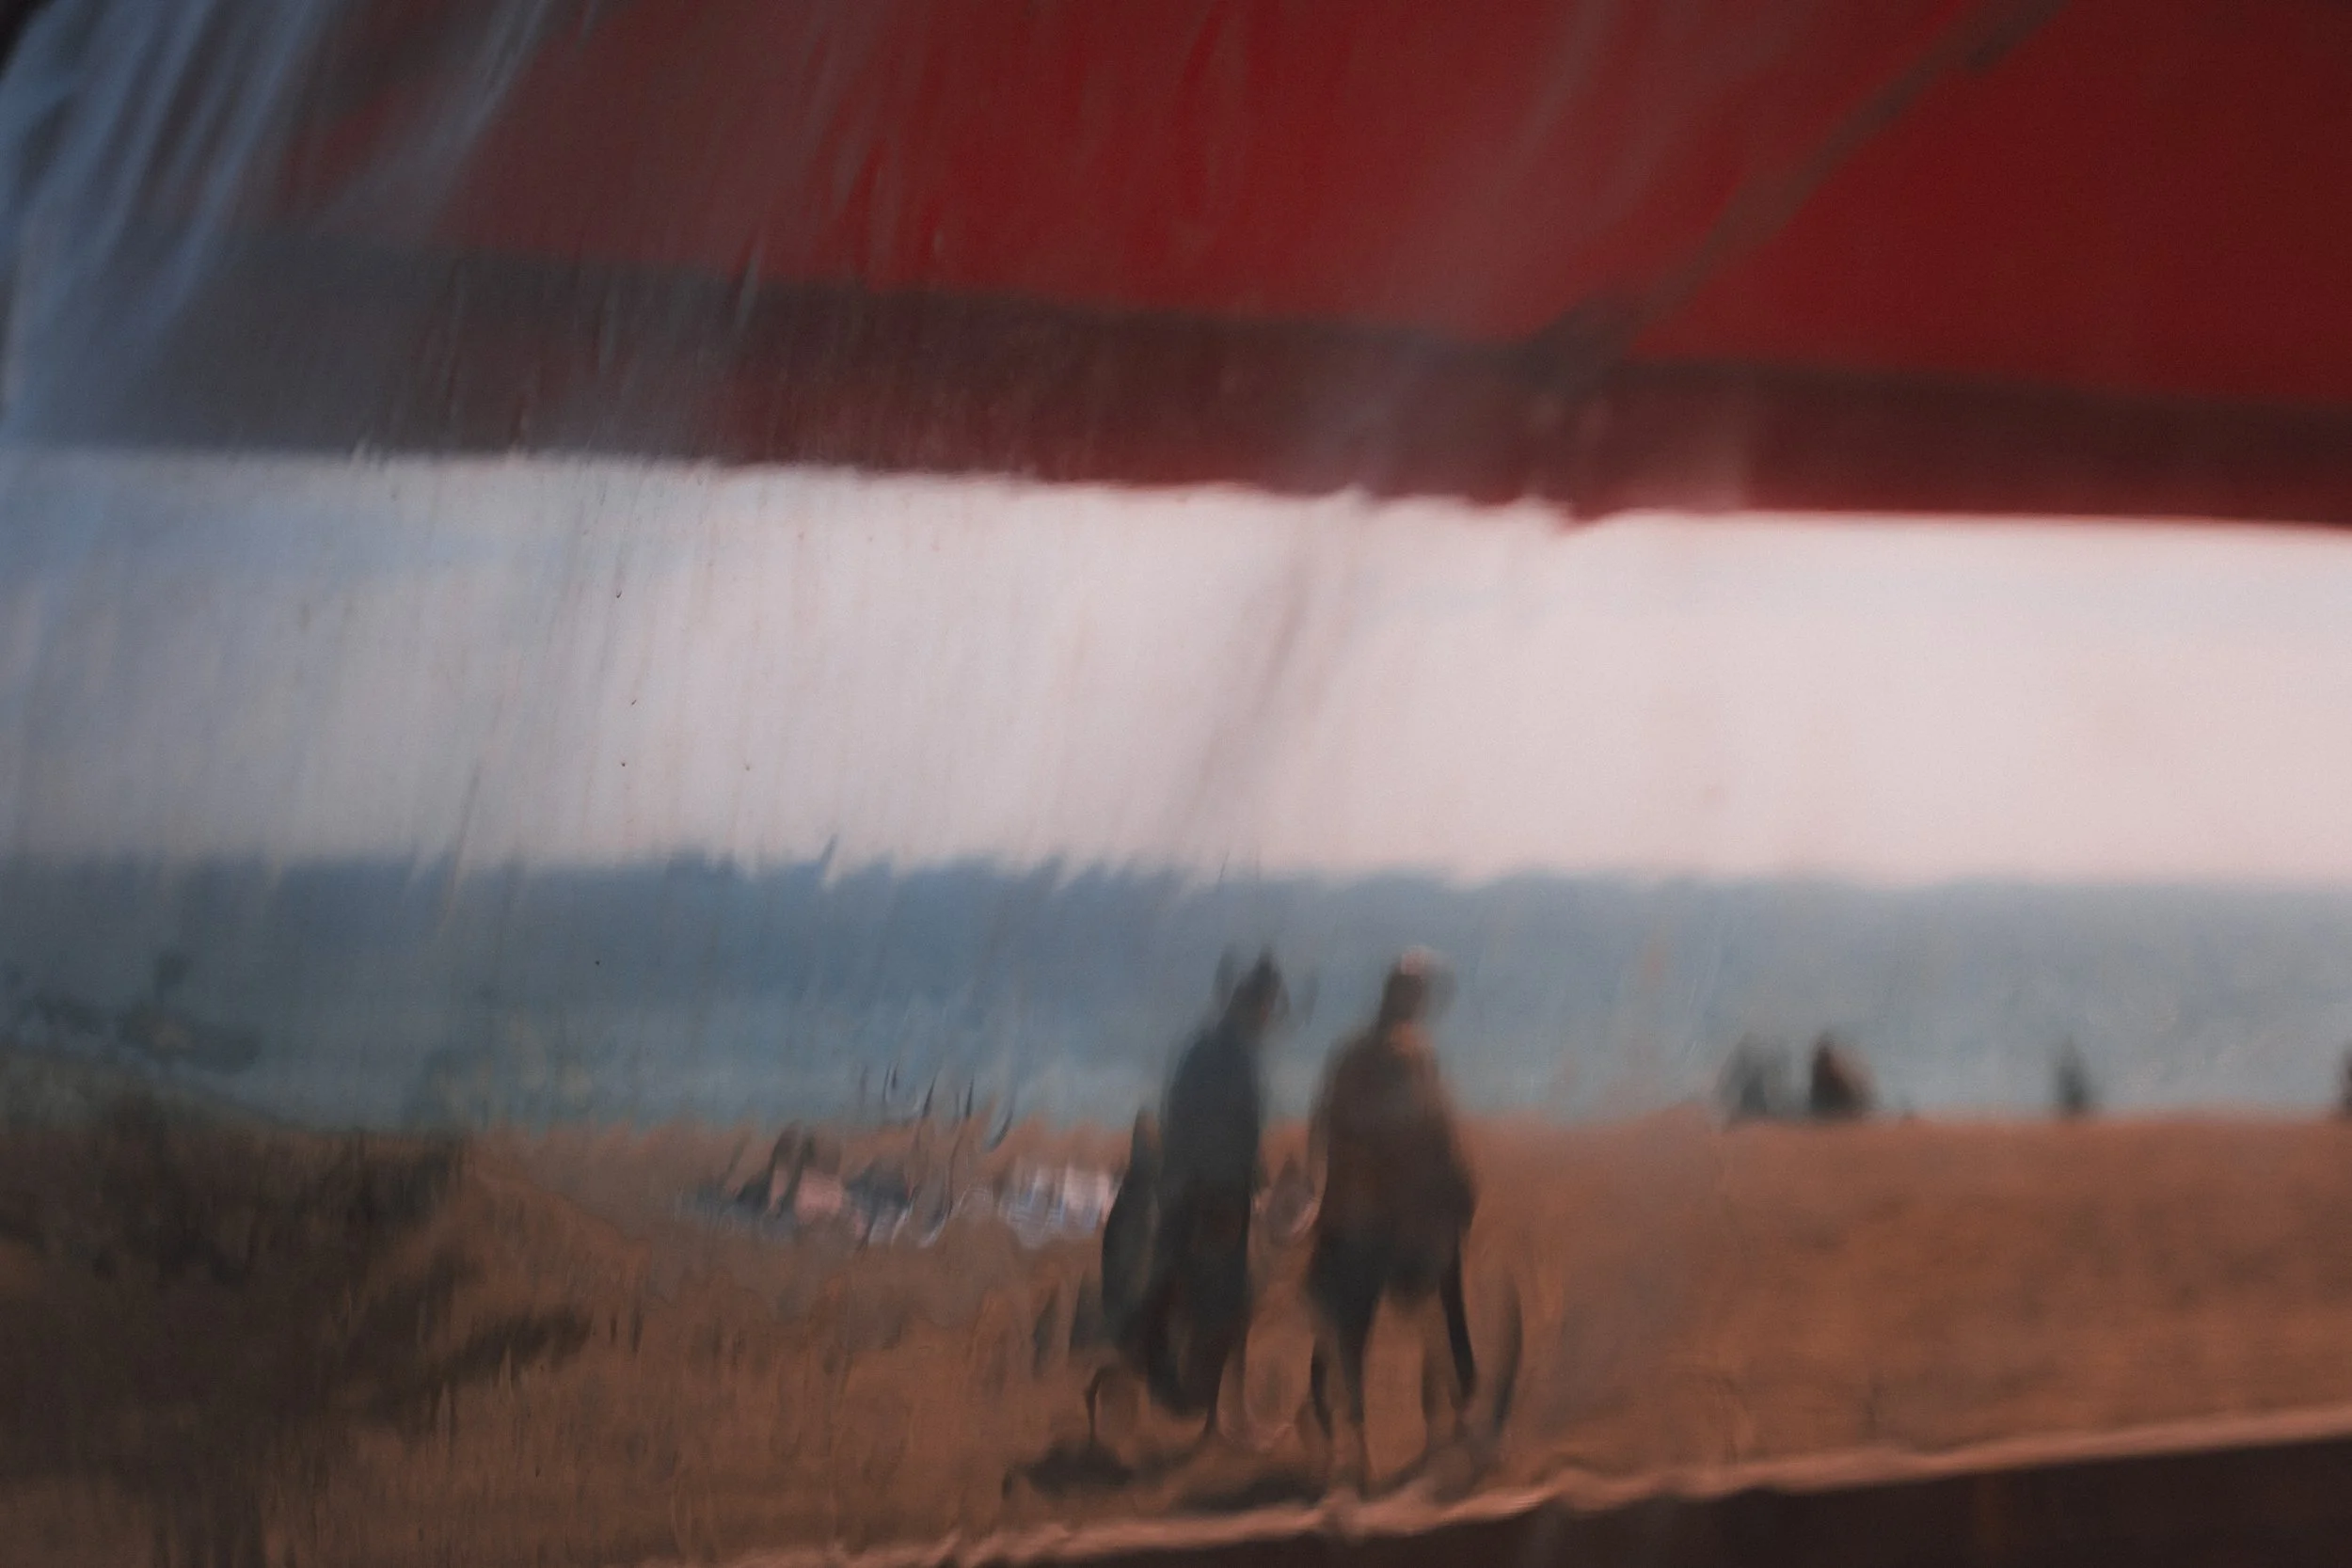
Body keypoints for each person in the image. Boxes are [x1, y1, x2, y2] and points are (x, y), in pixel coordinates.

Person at [1304, 950, 1477, 1486]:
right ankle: (1430, 1437)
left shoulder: (1357, 1054)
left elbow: (1324, 1128)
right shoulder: (1405, 1056)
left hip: (1361, 1216)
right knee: (1434, 1319)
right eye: (1418, 998)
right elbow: (1428, 1135)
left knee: (1352, 1334)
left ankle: (1363, 1447)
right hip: (1392, 1220)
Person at [1112, 951, 1285, 1443]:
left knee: (1199, 1300)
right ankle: (1219, 1420)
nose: (1271, 1018)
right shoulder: (1230, 1055)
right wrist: (1243, 1186)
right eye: (1268, 1006)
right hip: (1214, 1198)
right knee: (1225, 1305)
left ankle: (1217, 1413)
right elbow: (1230, 1134)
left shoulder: (1206, 1049)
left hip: (1192, 1193)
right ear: (1255, 1005)